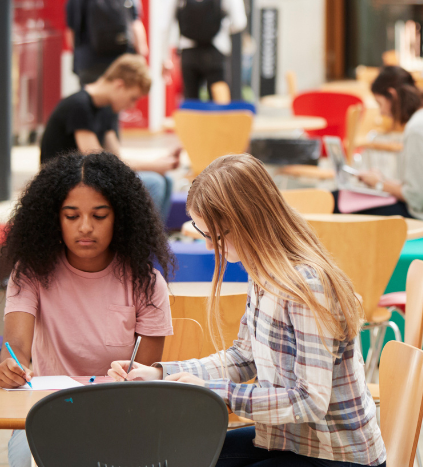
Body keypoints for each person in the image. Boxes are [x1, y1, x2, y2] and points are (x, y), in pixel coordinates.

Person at [110, 154, 387, 467]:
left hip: (336, 454)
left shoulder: (306, 286)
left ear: (247, 222)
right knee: (180, 454)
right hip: (289, 440)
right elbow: (242, 358)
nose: (209, 247)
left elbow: (311, 402)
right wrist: (161, 374)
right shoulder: (263, 274)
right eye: (204, 234)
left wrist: (216, 392)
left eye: (214, 235)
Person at [0, 152, 174, 467]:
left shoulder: (147, 283)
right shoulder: (31, 272)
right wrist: (10, 369)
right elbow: (16, 353)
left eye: (99, 215)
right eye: (71, 215)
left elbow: (141, 380)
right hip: (45, 413)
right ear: (52, 218)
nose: (85, 227)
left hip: (120, 418)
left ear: (120, 217)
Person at [40, 54, 180, 223]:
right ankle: (140, 245)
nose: (132, 105)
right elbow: (97, 160)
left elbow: (115, 159)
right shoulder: (79, 105)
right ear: (119, 85)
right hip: (62, 181)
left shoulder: (105, 109)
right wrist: (154, 166)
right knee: (154, 182)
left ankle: (155, 243)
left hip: (86, 175)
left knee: (167, 180)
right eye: (132, 98)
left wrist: (159, 161)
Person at [342, 65, 423, 234]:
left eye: (380, 104)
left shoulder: (418, 128)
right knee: (350, 200)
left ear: (393, 95)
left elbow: (417, 198)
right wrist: (383, 180)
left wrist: (379, 184)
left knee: (342, 205)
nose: (382, 112)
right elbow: (422, 186)